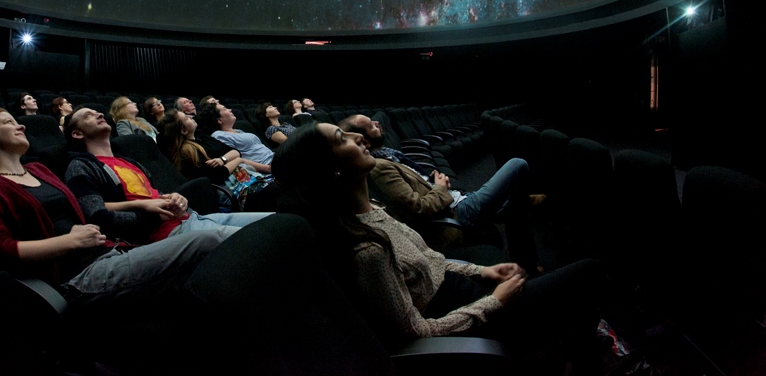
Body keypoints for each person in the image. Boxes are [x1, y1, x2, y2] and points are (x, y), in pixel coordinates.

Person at [273, 123, 601, 354]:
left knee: (569, 288)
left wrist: (482, 272)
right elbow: (417, 334)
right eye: (343, 137)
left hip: (467, 292)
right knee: (589, 273)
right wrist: (495, 301)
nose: (359, 136)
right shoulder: (367, 249)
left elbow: (432, 261)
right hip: (468, 318)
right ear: (333, 170)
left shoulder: (372, 209)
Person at [0, 109, 230, 304]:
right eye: (9, 122)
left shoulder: (40, 170)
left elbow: (89, 209)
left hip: (112, 252)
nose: (20, 126)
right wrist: (69, 242)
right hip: (75, 277)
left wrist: (149, 205)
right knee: (207, 241)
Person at [340, 114, 540, 268]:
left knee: (515, 204)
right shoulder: (378, 168)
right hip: (456, 212)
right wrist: (440, 188)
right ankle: (520, 203)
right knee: (518, 164)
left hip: (454, 199)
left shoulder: (389, 155)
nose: (377, 122)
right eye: (371, 125)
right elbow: (416, 208)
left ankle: (525, 251)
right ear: (363, 139)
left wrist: (434, 184)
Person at [62, 107, 268, 244]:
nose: (98, 114)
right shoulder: (80, 165)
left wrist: (174, 198)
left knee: (276, 222)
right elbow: (96, 214)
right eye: (88, 116)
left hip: (192, 218)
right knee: (264, 239)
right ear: (77, 134)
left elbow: (153, 195)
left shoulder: (129, 162)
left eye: (96, 112)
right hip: (167, 234)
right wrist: (150, 212)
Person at [157, 109, 275, 209]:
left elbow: (235, 152)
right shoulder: (188, 151)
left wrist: (223, 159)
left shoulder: (202, 137)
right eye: (186, 118)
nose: (190, 116)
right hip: (236, 191)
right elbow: (219, 174)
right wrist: (239, 161)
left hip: (248, 179)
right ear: (183, 130)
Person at [196, 103, 275, 172]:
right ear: (219, 120)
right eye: (225, 109)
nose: (230, 109)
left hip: (274, 158)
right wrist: (267, 168)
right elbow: (236, 160)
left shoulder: (238, 130)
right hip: (267, 165)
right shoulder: (219, 135)